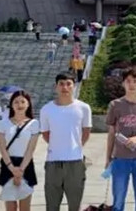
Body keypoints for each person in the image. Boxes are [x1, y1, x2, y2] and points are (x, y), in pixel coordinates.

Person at [105, 66, 136, 211]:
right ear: (123, 83)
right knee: (118, 199)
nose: (132, 84)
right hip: (120, 158)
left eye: (135, 81)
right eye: (128, 81)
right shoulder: (115, 105)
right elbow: (111, 133)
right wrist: (108, 158)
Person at [40, 72, 92, 211]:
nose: (65, 87)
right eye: (61, 84)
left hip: (75, 162)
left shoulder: (83, 108)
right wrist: (58, 145)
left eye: (68, 84)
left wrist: (75, 146)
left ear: (74, 86)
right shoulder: (47, 109)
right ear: (56, 87)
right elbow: (45, 134)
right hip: (53, 162)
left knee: (74, 205)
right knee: (52, 205)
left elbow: (86, 131)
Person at [0, 90, 40, 211]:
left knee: (25, 207)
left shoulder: (34, 124)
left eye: (23, 102)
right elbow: (2, 148)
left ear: (28, 104)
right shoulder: (3, 124)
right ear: (11, 104)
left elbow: (30, 150)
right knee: (11, 207)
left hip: (26, 164)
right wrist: (12, 168)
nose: (19, 105)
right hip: (8, 164)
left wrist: (20, 170)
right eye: (16, 102)